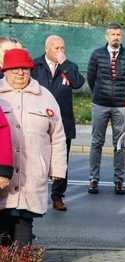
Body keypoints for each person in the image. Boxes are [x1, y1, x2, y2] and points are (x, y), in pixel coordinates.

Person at [0, 49, 66, 245]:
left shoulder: (45, 96)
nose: (20, 73)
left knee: (24, 226)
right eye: (14, 69)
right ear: (5, 71)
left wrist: (58, 169)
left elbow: (58, 135)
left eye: (24, 69)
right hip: (3, 176)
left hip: (32, 171)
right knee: (2, 226)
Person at [32, 35, 86, 212]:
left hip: (63, 121)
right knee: (35, 160)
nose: (60, 51)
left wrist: (65, 64)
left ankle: (57, 196)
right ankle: (33, 194)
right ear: (46, 49)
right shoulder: (35, 66)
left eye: (62, 48)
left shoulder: (69, 67)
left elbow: (78, 83)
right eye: (56, 48)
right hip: (38, 121)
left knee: (61, 160)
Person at [87, 22, 125, 196]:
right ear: (106, 36)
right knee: (96, 142)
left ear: (121, 36)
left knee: (120, 144)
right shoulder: (97, 54)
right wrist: (99, 95)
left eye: (118, 34)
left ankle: (119, 181)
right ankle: (93, 179)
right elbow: (91, 78)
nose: (116, 37)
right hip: (100, 104)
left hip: (121, 106)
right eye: (113, 34)